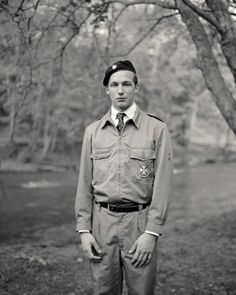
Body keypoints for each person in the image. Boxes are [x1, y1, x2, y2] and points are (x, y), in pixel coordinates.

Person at [75, 60, 173, 295]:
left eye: (126, 84)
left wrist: (151, 233)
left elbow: (163, 185)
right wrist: (83, 230)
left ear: (136, 87)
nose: (120, 90)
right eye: (114, 84)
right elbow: (84, 184)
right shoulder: (92, 132)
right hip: (101, 224)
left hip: (139, 224)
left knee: (141, 291)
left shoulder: (156, 129)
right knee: (103, 290)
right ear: (106, 89)